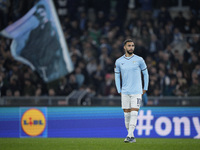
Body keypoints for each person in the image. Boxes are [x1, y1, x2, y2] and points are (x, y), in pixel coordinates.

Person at [20, 4, 67, 82]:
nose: (40, 15)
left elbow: (53, 43)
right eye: (38, 13)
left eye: (42, 12)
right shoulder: (35, 30)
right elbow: (30, 44)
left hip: (49, 56)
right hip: (38, 58)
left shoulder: (53, 26)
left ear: (46, 12)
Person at [114, 39, 149, 143]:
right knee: (126, 115)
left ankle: (129, 135)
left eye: (133, 46)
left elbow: (146, 74)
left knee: (134, 113)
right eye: (129, 46)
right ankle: (131, 136)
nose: (131, 48)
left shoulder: (139, 60)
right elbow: (116, 76)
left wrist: (145, 88)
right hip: (125, 91)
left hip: (137, 91)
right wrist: (118, 89)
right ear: (124, 47)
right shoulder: (119, 61)